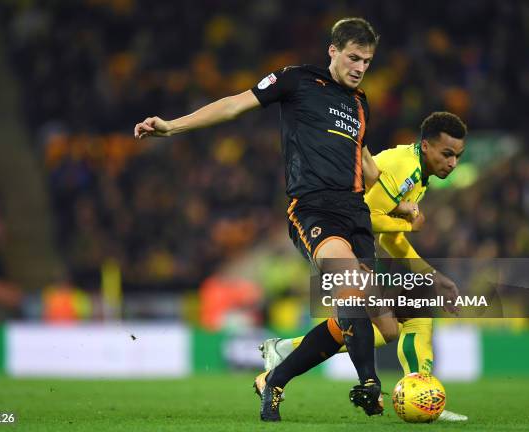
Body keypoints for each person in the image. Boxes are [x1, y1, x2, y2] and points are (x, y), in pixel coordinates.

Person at [135, 17, 387, 422]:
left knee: (352, 319)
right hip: (314, 208)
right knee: (349, 287)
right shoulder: (296, 80)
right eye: (354, 58)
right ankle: (370, 384)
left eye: (368, 62)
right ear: (333, 52)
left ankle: (275, 377)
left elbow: (368, 164)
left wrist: (403, 200)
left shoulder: (361, 104)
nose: (360, 68)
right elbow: (234, 104)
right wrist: (171, 127)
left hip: (357, 214)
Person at [259, 111, 469, 421]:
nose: (452, 163)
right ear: (426, 146)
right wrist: (412, 226)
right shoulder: (403, 167)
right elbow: (365, 215)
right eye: (447, 154)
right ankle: (420, 393)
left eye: (458, 156)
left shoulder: (419, 177)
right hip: (337, 234)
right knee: (412, 313)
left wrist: (432, 274)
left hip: (358, 242)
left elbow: (389, 239)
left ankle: (286, 352)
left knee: (387, 329)